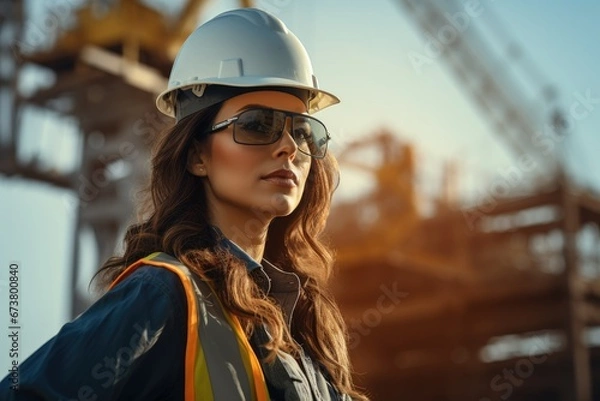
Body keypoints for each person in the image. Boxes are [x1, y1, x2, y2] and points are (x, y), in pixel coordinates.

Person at [0, 7, 369, 401]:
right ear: (197, 156)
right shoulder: (163, 294)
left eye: (303, 130)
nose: (289, 146)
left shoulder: (308, 332)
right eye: (258, 124)